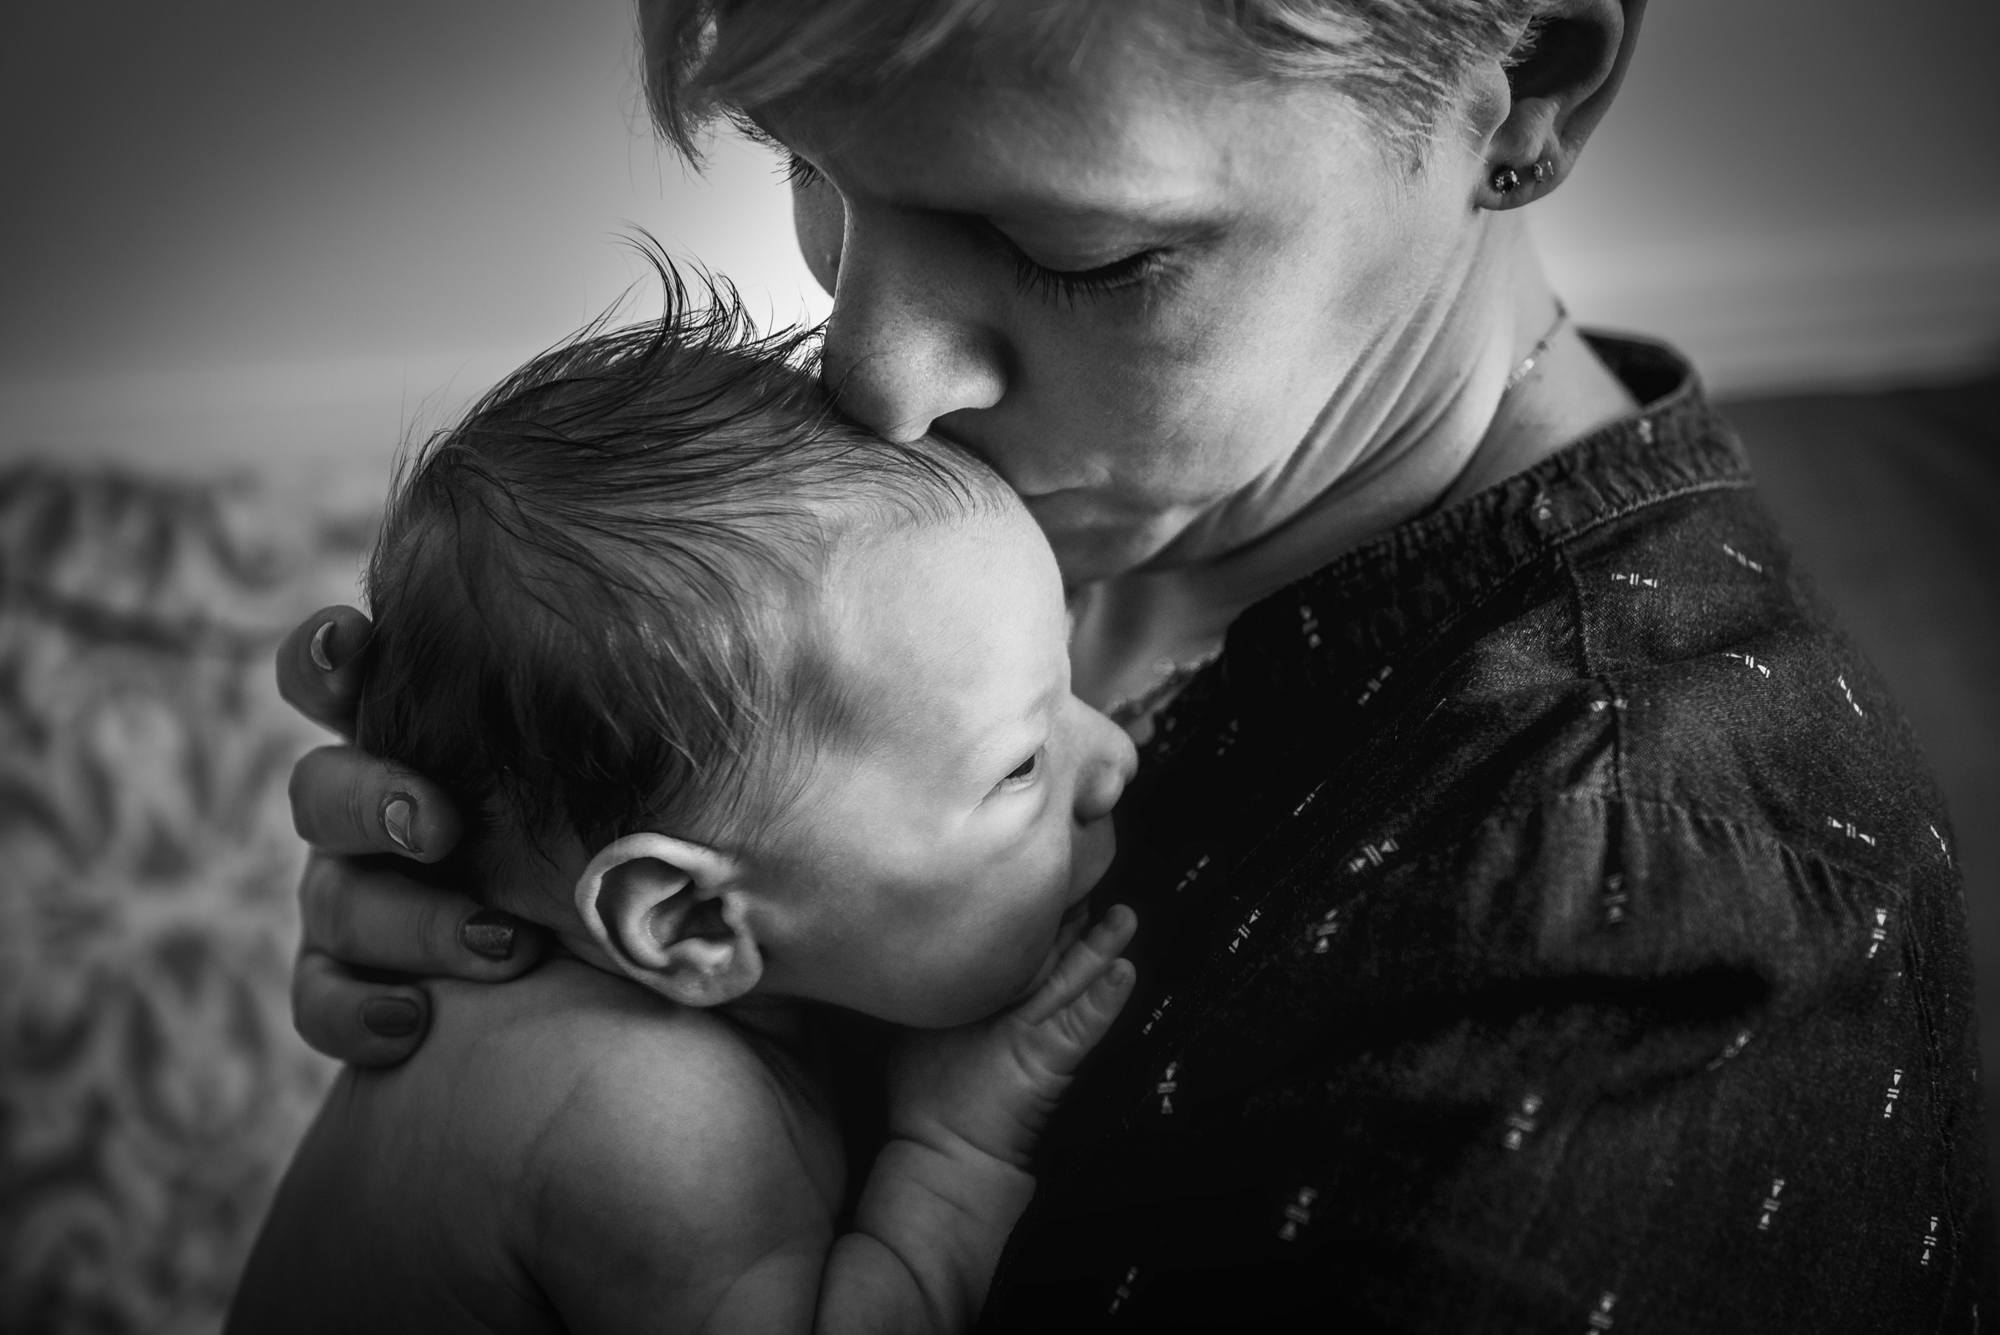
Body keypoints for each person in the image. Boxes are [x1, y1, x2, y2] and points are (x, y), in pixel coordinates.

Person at [276, 0, 1997, 1327]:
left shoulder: (1620, 922)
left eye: (1073, 250)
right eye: (806, 167)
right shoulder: (985, 552)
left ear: (1525, 81)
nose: (873, 382)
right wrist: (509, 927)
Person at [231, 283, 1142, 1333]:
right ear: (692, 921)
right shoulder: (652, 1120)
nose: (1113, 755)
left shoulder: (620, 1025)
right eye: (1021, 764)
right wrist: (954, 1153)